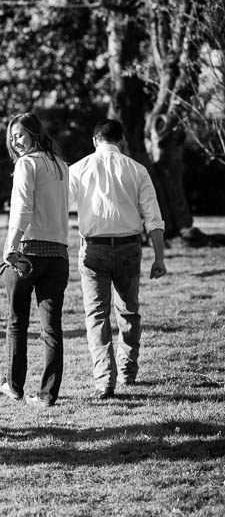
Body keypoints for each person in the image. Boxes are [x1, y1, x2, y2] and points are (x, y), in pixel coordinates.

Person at [68, 119, 167, 400]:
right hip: (128, 248)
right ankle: (127, 370)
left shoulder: (79, 168)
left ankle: (104, 381)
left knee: (96, 315)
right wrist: (159, 258)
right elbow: (154, 218)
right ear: (122, 140)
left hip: (93, 249)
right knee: (128, 312)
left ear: (94, 140)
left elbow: (60, 205)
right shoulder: (137, 170)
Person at [0, 113, 70, 408]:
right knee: (51, 327)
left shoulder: (27, 164)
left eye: (20, 134)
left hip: (27, 253)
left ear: (34, 134)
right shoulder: (61, 165)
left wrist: (9, 246)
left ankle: (14, 386)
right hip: (58, 254)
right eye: (12, 136)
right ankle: (47, 395)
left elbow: (22, 211)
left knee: (17, 323)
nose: (15, 140)